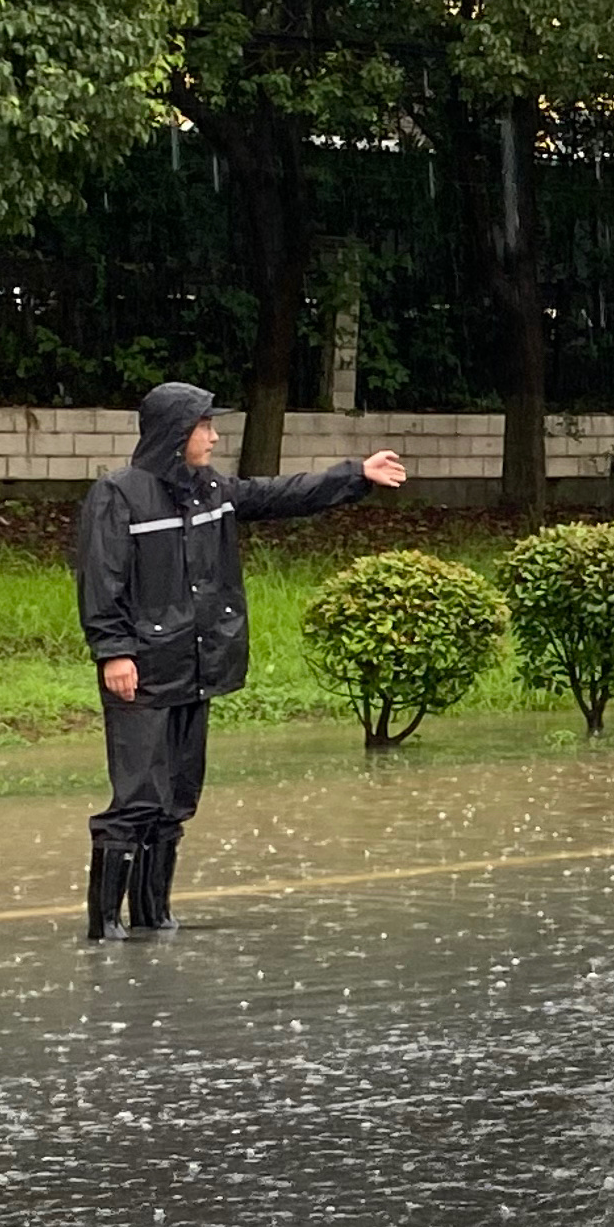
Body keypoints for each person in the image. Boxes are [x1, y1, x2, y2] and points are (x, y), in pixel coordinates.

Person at [76, 381, 408, 938]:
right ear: (177, 433)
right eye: (204, 426)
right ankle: (105, 922)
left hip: (196, 667)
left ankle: (152, 914)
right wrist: (115, 652)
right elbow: (100, 581)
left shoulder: (212, 489)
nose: (213, 436)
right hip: (143, 671)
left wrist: (355, 476)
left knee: (177, 797)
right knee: (137, 797)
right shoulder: (119, 496)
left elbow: (280, 494)